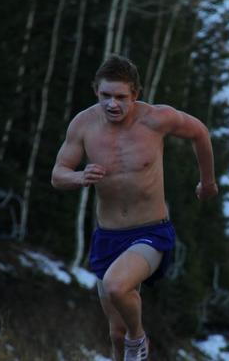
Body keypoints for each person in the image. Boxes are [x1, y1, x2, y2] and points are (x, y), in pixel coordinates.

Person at [51, 55, 218, 361]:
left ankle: (138, 338)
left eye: (120, 97)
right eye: (105, 96)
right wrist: (79, 176)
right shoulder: (83, 124)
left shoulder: (157, 118)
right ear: (95, 92)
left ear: (135, 95)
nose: (112, 104)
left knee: (117, 287)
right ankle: (130, 342)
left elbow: (199, 132)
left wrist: (207, 181)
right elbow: (57, 175)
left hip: (150, 233)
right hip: (108, 236)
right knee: (115, 334)